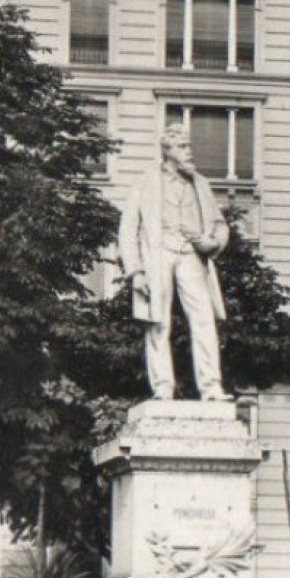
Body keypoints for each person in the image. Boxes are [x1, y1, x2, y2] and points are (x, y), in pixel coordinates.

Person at [119, 124, 231, 401]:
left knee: (204, 319)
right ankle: (162, 387)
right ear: (167, 151)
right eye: (183, 146)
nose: (189, 152)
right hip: (159, 255)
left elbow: (220, 225)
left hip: (191, 255)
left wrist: (213, 242)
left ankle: (211, 386)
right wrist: (135, 271)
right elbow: (127, 228)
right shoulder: (146, 182)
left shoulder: (200, 183)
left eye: (189, 146)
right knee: (158, 321)